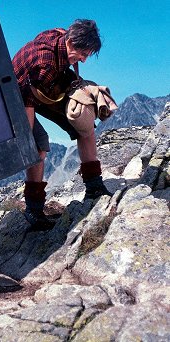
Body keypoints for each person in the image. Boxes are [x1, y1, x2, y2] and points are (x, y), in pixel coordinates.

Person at [12, 19, 111, 231]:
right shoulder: (44, 63)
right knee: (38, 143)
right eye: (83, 54)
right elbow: (28, 101)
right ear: (71, 42)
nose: (83, 61)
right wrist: (24, 140)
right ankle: (34, 209)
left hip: (43, 84)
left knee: (83, 119)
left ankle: (94, 186)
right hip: (17, 97)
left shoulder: (59, 36)